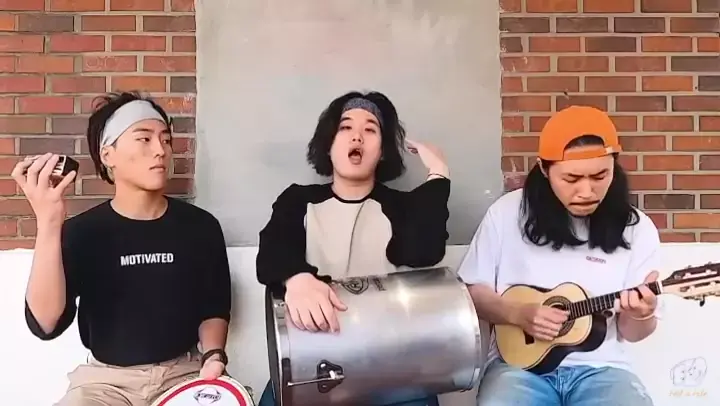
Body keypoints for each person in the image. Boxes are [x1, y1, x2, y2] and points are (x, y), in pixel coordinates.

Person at [12, 91, 233, 406]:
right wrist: (49, 222)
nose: (160, 150)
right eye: (144, 139)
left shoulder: (200, 226)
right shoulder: (82, 231)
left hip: (184, 375)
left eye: (166, 140)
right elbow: (45, 323)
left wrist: (213, 357)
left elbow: (214, 306)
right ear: (108, 155)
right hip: (105, 384)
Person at [255, 91, 450, 406]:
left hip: (393, 362)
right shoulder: (298, 200)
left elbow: (426, 251)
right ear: (329, 144)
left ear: (382, 152)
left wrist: (438, 173)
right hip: (313, 360)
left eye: (370, 129)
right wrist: (297, 279)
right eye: (345, 127)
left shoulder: (402, 207)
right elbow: (271, 251)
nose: (357, 136)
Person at [457, 106, 660, 406]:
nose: (587, 191)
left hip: (603, 370)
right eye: (571, 178)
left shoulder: (637, 228)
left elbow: (632, 333)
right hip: (517, 369)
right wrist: (516, 314)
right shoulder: (507, 213)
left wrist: (641, 314)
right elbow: (473, 292)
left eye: (600, 175)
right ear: (544, 169)